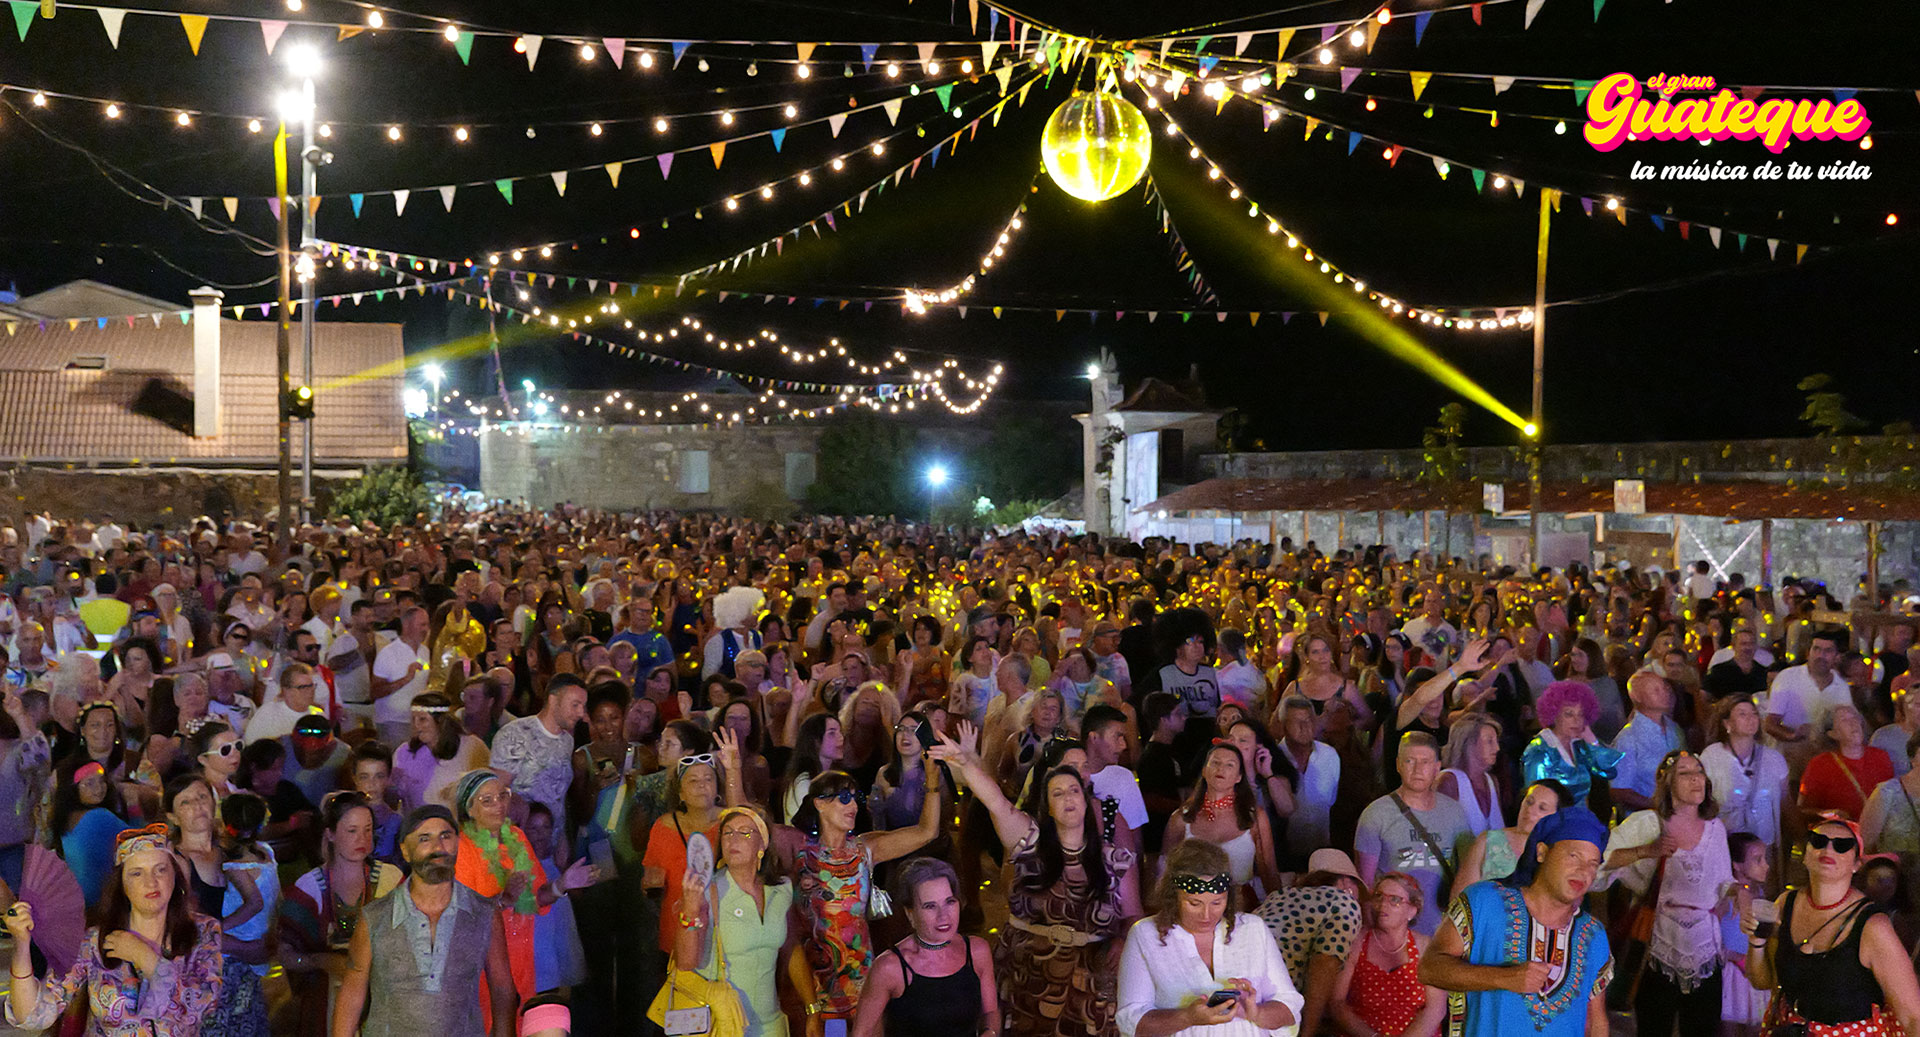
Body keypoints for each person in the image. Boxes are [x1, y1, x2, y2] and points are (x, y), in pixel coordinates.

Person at [931, 720, 1140, 1037]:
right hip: (1026, 974)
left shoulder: (1114, 859)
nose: (1068, 798)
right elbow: (995, 801)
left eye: (1074, 791)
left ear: (1086, 800)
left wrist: (1122, 939)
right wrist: (965, 763)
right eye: (1058, 793)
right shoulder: (1028, 840)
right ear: (1048, 806)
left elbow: (1133, 914)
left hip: (1088, 982)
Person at [4, 822, 225, 1036]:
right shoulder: (94, 942)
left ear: (175, 878)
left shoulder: (203, 932)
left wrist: (145, 957)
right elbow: (34, 1015)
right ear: (122, 886)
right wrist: (22, 945)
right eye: (137, 873)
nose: (151, 882)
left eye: (160, 870)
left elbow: (201, 1007)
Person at [778, 753, 942, 1029]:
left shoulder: (864, 849)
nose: (853, 805)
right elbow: (748, 824)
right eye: (844, 798)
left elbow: (927, 831)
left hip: (861, 980)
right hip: (815, 985)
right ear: (819, 803)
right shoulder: (798, 852)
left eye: (856, 798)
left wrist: (933, 786)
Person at [1418, 805, 1613, 1037]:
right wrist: (1504, 977)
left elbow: (1595, 1021)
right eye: (1574, 856)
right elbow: (1429, 969)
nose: (1583, 871)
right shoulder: (1484, 901)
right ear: (1542, 852)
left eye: (1593, 864)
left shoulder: (1593, 934)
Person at [330, 805, 519, 1037]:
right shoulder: (375, 917)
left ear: (457, 843)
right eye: (424, 838)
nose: (437, 847)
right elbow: (351, 995)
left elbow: (503, 992)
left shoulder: (483, 914)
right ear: (405, 851)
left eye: (445, 836)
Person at [1741, 815, 1920, 1037]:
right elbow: (1763, 981)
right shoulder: (1785, 903)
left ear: (1856, 865)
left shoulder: (1873, 926)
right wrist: (1756, 941)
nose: (1828, 849)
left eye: (1842, 846)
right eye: (1818, 841)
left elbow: (1913, 1016)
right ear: (1805, 855)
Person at [1599, 750, 1733, 1036]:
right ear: (1667, 781)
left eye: (1699, 771)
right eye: (1685, 773)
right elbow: (1598, 862)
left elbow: (1723, 885)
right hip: (1656, 941)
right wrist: (1645, 851)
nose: (1696, 779)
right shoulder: (1646, 824)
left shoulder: (1716, 828)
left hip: (1704, 945)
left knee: (1703, 1028)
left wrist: (1739, 895)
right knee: (1653, 1026)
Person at [1114, 838, 1303, 1037]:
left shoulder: (1252, 928)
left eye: (1216, 903)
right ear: (1173, 896)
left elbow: (1289, 1008)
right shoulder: (1145, 934)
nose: (1206, 915)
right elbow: (1131, 1021)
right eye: (1194, 903)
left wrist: (1254, 1012)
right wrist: (1188, 1018)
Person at [452, 770, 593, 1033]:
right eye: (487, 800)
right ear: (469, 809)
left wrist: (563, 884)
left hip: (523, 958)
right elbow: (462, 917)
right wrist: (503, 900)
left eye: (502, 796)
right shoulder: (462, 849)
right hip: (485, 965)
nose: (499, 805)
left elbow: (537, 898)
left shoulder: (516, 837)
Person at [279, 791, 404, 1037]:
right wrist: (323, 962)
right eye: (352, 831)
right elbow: (285, 954)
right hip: (325, 1005)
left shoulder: (391, 880)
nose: (363, 839)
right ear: (330, 834)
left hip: (383, 1003)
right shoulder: (309, 888)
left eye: (368, 830)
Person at [672, 804, 795, 1037]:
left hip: (771, 1024)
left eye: (745, 832)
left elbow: (792, 948)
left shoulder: (782, 891)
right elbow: (686, 962)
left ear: (762, 845)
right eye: (727, 832)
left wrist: (812, 1007)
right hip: (722, 1024)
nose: (733, 839)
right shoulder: (708, 890)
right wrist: (690, 906)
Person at [849, 856, 998, 1037]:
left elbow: (990, 1012)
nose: (944, 916)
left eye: (950, 902)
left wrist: (990, 1032)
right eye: (930, 906)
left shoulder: (977, 951)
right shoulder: (890, 967)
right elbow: (862, 1032)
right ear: (910, 913)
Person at [1356, 732, 1471, 936]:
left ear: (1437, 767)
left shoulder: (1455, 812)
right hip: (1394, 934)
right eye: (1410, 761)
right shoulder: (1375, 814)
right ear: (1398, 765)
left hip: (1442, 930)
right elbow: (1365, 888)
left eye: (1425, 762)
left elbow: (1469, 870)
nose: (1418, 769)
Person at [1254, 849, 1365, 1037]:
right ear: (1346, 882)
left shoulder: (1277, 896)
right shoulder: (1345, 902)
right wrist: (1308, 1032)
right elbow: (1325, 962)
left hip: (1240, 995)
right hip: (1273, 1005)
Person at [1331, 872, 1446, 1037]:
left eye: (1395, 900)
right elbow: (1337, 1003)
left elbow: (1436, 1009)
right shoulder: (1356, 943)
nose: (1383, 904)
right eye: (1379, 896)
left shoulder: (1425, 947)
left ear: (1412, 911)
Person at [1162, 740, 1282, 897]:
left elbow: (1269, 871)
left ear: (1239, 777)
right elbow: (1164, 873)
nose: (1221, 768)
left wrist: (1278, 908)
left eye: (1229, 765)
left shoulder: (1255, 817)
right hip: (1193, 907)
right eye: (1215, 762)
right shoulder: (1180, 819)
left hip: (1242, 907)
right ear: (1204, 771)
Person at [490, 674, 587, 857]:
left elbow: (558, 794)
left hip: (550, 846)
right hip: (517, 847)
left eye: (583, 706)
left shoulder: (567, 740)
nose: (581, 713)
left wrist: (561, 841)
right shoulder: (516, 734)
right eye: (575, 705)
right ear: (553, 700)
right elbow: (495, 793)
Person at [1451, 780, 1572, 900]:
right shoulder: (1488, 841)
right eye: (1529, 802)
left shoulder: (1557, 854)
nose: (1530, 810)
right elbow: (1460, 897)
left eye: (1542, 808)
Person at [1700, 696, 1791, 850]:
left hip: (1762, 843)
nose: (1751, 718)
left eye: (1754, 714)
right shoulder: (1711, 756)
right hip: (1725, 841)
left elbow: (1785, 801)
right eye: (1742, 714)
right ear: (1727, 723)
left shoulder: (1774, 758)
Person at [1522, 680, 1623, 804]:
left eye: (1581, 715)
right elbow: (1535, 802)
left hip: (1581, 818)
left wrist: (1592, 740)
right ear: (1553, 715)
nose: (1576, 720)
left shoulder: (1578, 745)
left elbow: (1609, 772)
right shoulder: (1539, 751)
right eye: (1569, 714)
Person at [393, 692, 492, 812]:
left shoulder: (471, 747)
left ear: (441, 721)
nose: (416, 725)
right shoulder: (404, 752)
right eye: (413, 719)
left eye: (422, 719)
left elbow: (487, 786)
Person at [1799, 705, 1894, 821]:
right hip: (1844, 834)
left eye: (1855, 717)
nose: (1853, 723)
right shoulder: (1819, 765)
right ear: (1833, 734)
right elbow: (1803, 810)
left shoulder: (1880, 757)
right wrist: (1827, 814)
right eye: (1844, 720)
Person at [1611, 671, 1688, 812]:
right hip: (1646, 819)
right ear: (1637, 697)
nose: (1665, 694)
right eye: (1656, 690)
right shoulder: (1629, 738)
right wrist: (1656, 805)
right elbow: (1619, 790)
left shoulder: (1674, 729)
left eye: (1665, 688)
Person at [1721, 832, 1772, 1037]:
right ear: (1737, 865)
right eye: (1757, 860)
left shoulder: (1758, 894)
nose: (1766, 866)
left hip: (1751, 971)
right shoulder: (1728, 898)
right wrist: (1731, 956)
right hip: (1732, 974)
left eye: (1765, 859)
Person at [1438, 714, 1506, 837]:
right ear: (1469, 744)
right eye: (1489, 741)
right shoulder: (1449, 781)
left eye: (1496, 741)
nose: (1497, 748)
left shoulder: (1492, 781)